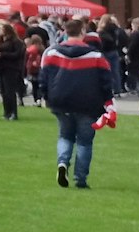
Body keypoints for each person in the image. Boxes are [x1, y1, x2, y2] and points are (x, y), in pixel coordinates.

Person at [41, 18, 114, 189]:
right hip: (87, 102)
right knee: (84, 141)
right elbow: (106, 82)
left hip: (60, 100)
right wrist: (107, 102)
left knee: (65, 136)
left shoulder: (52, 53)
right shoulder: (96, 56)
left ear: (65, 32)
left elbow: (44, 78)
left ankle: (63, 162)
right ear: (82, 32)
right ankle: (80, 178)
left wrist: (45, 97)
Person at [0, 23, 27, 120]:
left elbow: (17, 55)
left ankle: (13, 113)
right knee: (3, 91)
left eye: (1, 29)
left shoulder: (16, 42)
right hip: (0, 68)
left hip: (11, 69)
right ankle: (7, 112)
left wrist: (3, 54)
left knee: (10, 91)